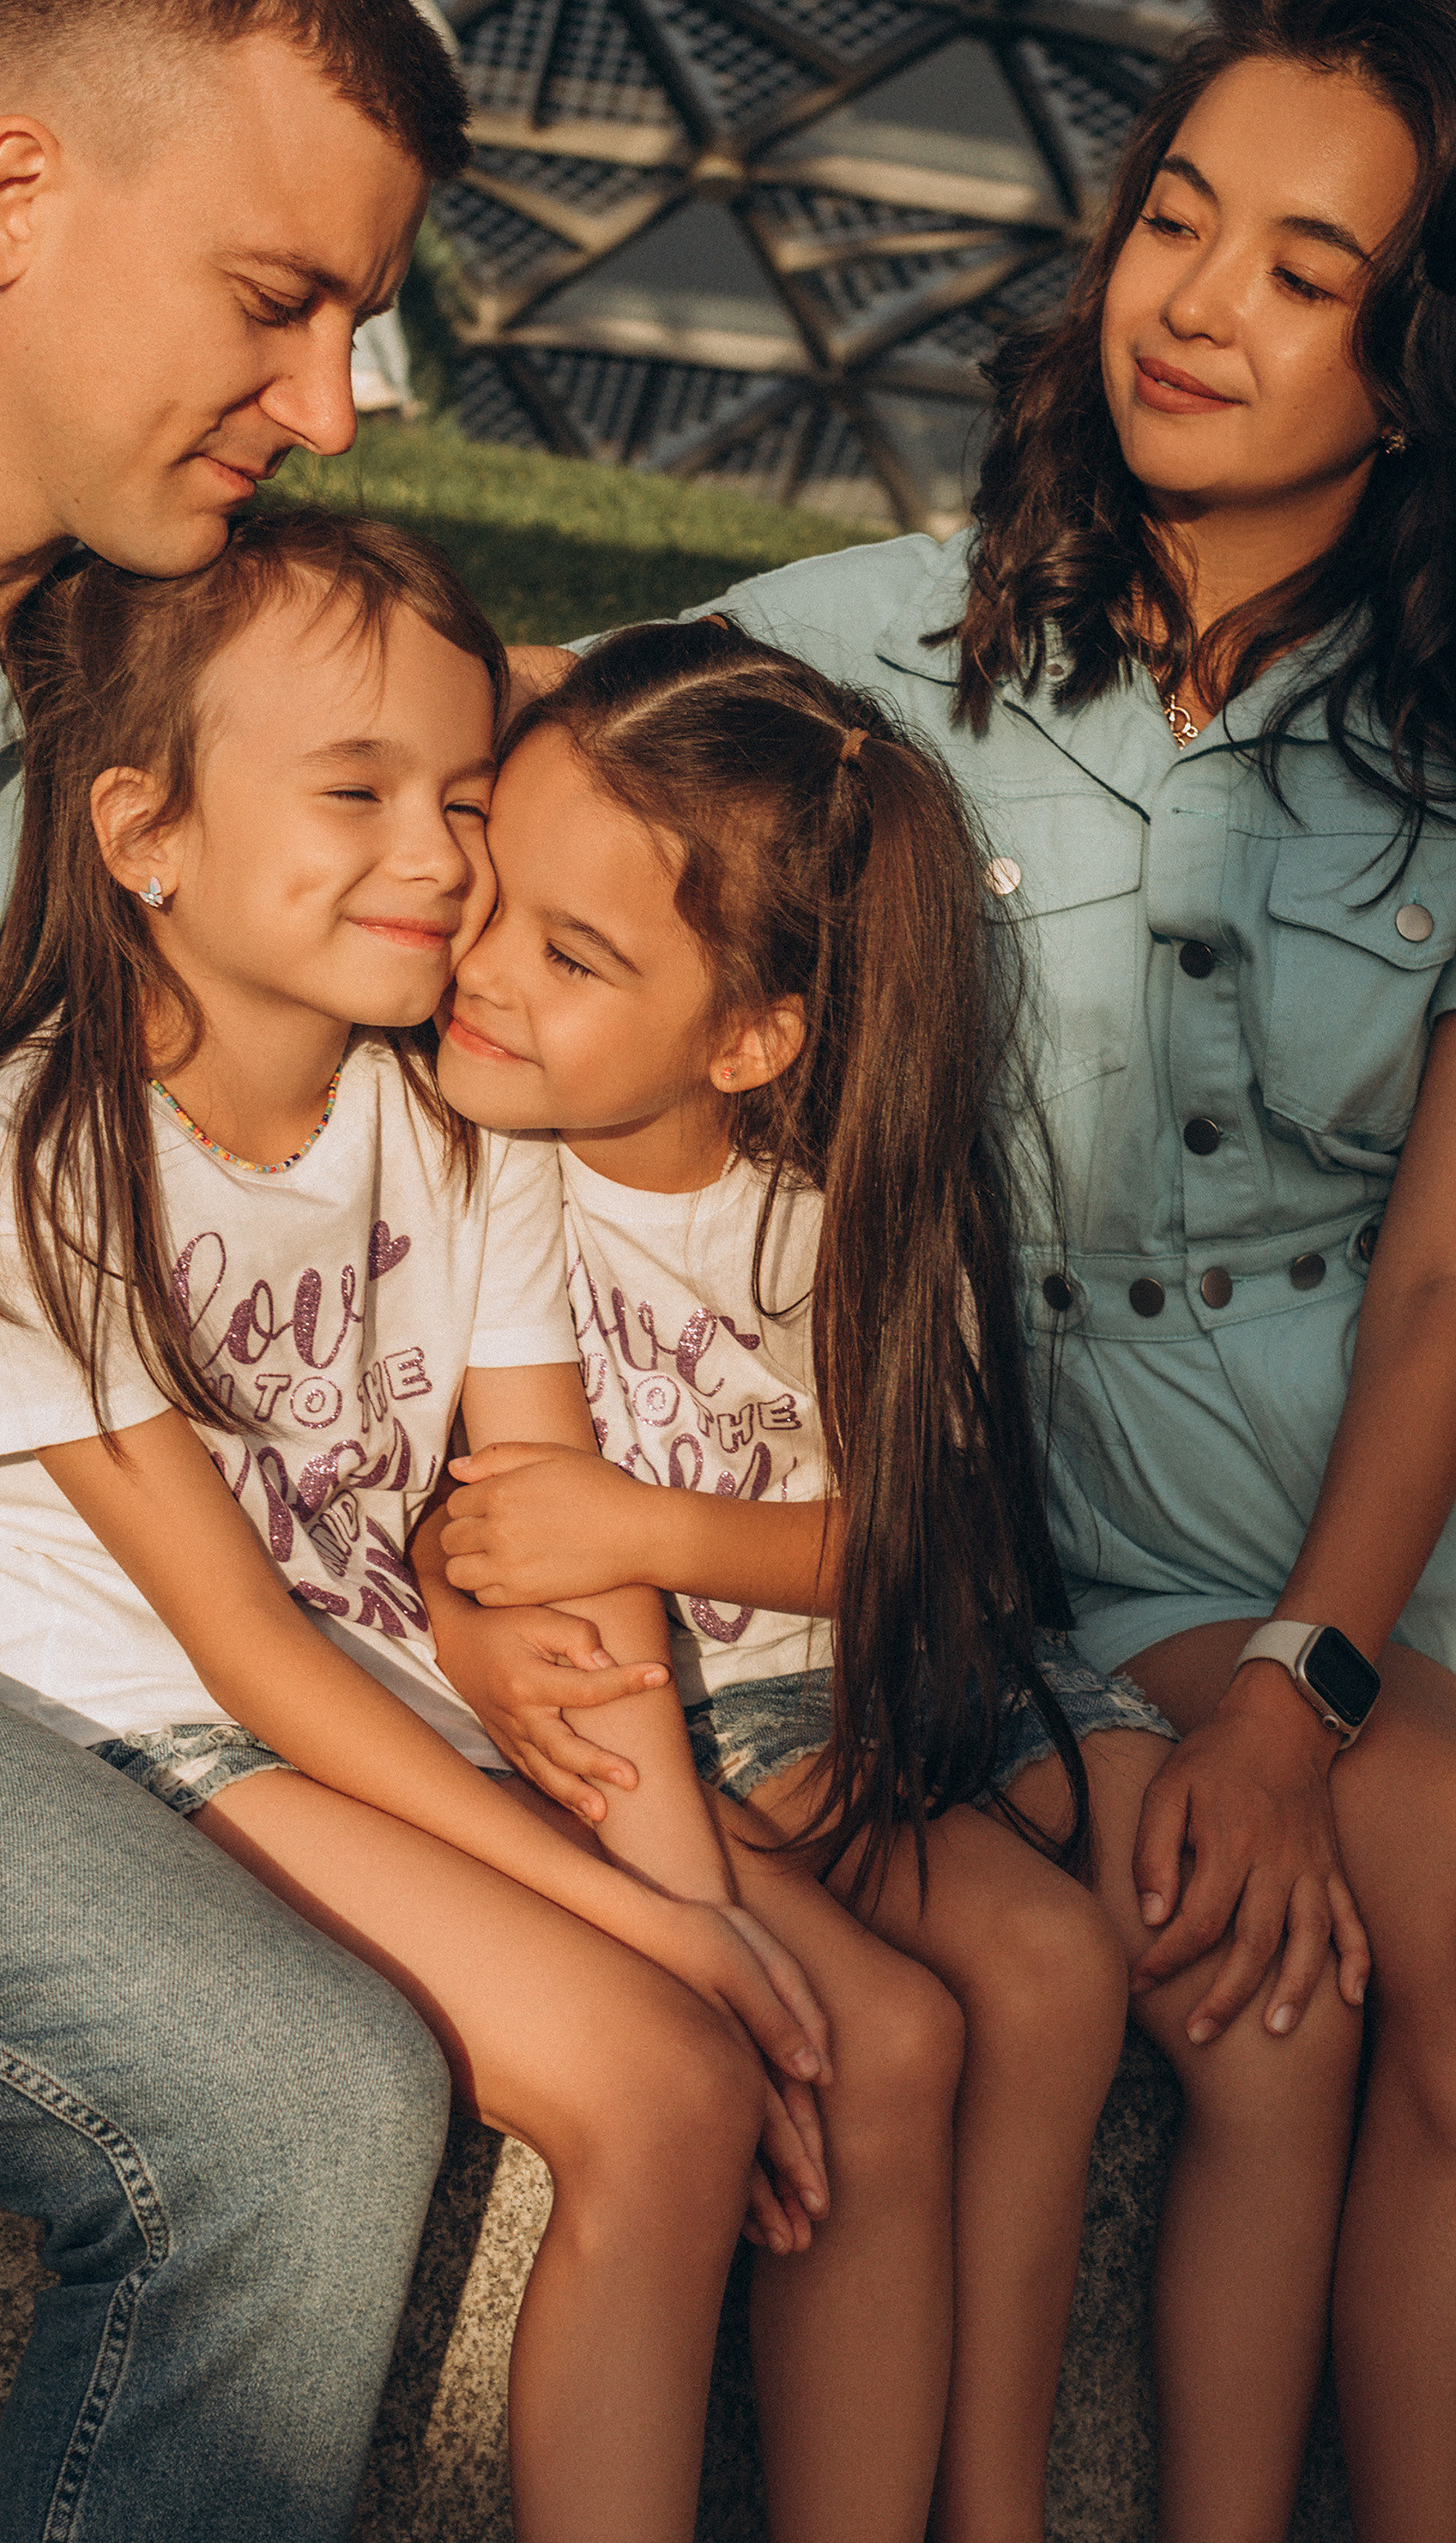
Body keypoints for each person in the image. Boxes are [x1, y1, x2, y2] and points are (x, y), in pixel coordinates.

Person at [505, 3, 1456, 2534]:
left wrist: (1310, 1686)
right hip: (1101, 1522)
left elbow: (1449, 1281)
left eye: (1310, 264)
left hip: (1386, 1512)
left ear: (1418, 359)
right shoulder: (912, 633)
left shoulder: (1450, 743)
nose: (1198, 298)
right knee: (1316, 1995)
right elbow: (550, 734)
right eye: (1177, 217)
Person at [0, 499, 978, 2543]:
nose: (432, 858)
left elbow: (566, 1572)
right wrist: (663, 1929)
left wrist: (706, 1914)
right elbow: (247, 1655)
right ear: (143, 831)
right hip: (138, 1746)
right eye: (352, 789)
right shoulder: (38, 1156)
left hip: (393, 1717)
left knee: (872, 2036)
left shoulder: (455, 1130)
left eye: (460, 797)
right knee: (660, 2081)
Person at [0, 3, 495, 2534]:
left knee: (313, 2097)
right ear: (13, 205)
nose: (338, 397)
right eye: (277, 299)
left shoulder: (108, 659)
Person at [421, 615, 1354, 2543]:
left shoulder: (829, 1201)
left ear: (752, 1031)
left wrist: (651, 1526)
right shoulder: (485, 1169)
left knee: (1178, 1955)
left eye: (569, 950)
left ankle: (996, 2497)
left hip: (912, 1668)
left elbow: (921, 1542)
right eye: (487, 895)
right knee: (1021, 1965)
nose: (482, 970)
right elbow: (468, 1537)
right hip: (719, 1726)